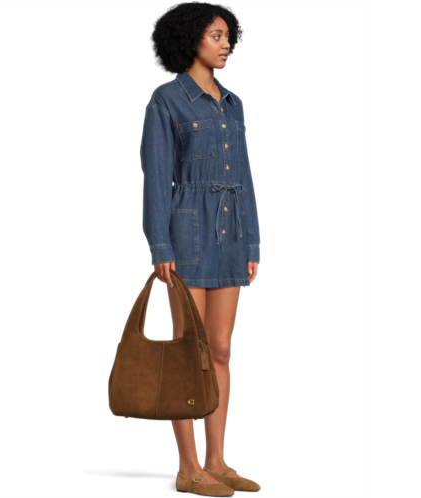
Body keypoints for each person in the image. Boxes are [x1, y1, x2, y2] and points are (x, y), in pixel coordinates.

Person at [140, 3, 261, 496]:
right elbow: (155, 178)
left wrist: (253, 239)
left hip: (231, 232)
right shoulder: (166, 100)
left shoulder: (233, 103)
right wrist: (159, 244)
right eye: (216, 35)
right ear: (191, 39)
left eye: (228, 35)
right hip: (186, 230)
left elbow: (245, 175)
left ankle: (217, 461)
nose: (226, 43)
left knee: (221, 349)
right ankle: (188, 468)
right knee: (190, 353)